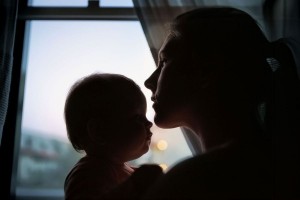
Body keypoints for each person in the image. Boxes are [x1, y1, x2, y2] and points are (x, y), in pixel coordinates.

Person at [142, 7, 299, 199]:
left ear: (206, 71)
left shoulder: (195, 182)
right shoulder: (278, 163)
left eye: (164, 61)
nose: (149, 81)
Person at [64, 73, 160, 199]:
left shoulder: (123, 171)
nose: (149, 123)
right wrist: (135, 186)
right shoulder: (89, 174)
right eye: (137, 117)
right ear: (99, 131)